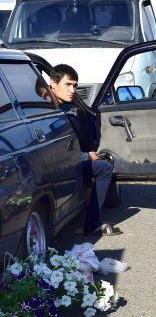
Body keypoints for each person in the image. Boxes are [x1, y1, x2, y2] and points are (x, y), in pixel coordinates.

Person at [49, 64, 121, 236]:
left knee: (102, 165)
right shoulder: (50, 111)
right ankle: (92, 224)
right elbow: (60, 150)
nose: (72, 90)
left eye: (75, 85)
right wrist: (85, 156)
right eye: (68, 84)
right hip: (59, 167)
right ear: (53, 83)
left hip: (63, 164)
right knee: (104, 168)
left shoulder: (62, 106)